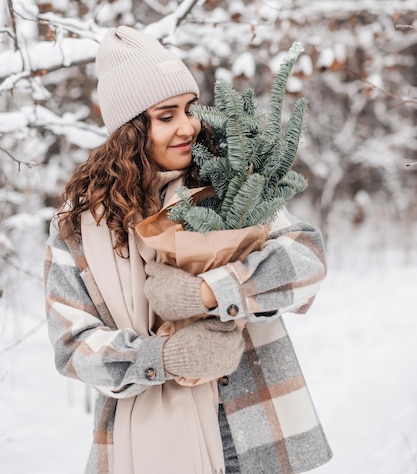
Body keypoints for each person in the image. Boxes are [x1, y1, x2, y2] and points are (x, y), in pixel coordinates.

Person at [44, 26, 332, 474]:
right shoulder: (79, 227)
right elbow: (73, 346)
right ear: (130, 130)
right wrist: (164, 358)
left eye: (189, 109)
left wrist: (210, 294)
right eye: (165, 115)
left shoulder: (228, 183)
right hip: (146, 441)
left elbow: (306, 261)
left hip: (253, 425)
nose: (188, 126)